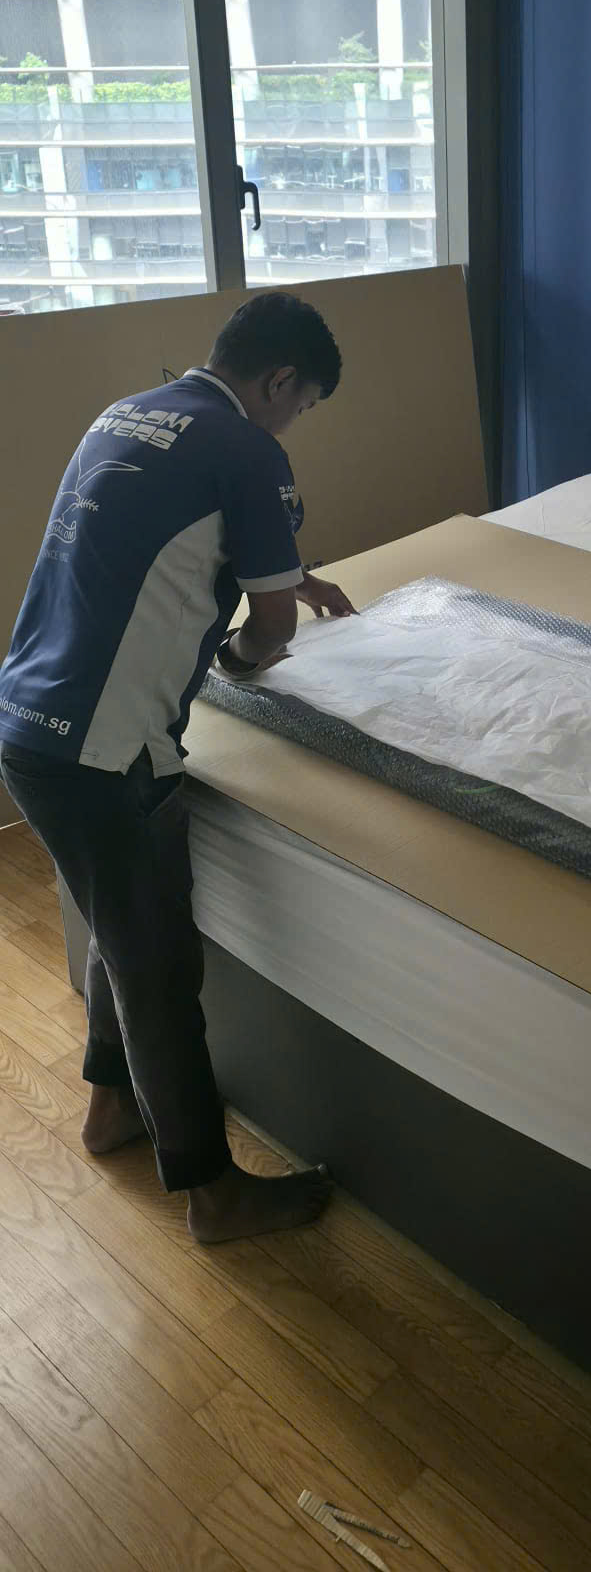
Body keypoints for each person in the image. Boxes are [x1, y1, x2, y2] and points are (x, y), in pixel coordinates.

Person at [0, 291, 355, 1243]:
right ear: (280, 379)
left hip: (27, 724)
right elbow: (267, 628)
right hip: (108, 754)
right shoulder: (249, 449)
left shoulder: (130, 414)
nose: (291, 423)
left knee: (119, 930)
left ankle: (111, 1106)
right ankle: (213, 1192)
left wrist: (293, 575)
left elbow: (151, 536)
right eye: (300, 405)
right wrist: (242, 659)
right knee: (160, 970)